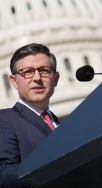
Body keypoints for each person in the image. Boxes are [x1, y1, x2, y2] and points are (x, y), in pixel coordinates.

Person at [0, 43, 61, 188]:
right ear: (14, 81)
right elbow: (3, 174)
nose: (37, 78)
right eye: (27, 72)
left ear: (56, 78)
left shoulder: (65, 126)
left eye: (44, 70)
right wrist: (58, 169)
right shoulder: (5, 120)